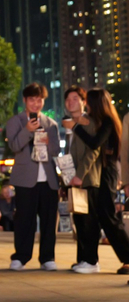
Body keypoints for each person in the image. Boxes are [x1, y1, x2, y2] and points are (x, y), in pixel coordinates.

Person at [65, 88, 129, 274]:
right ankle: (89, 259)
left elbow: (94, 144)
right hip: (101, 173)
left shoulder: (107, 121)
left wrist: (75, 127)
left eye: (89, 102)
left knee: (108, 217)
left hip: (107, 173)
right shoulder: (97, 121)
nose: (87, 105)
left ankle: (125, 258)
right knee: (95, 217)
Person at [5, 82, 60, 271]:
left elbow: (56, 151)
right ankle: (21, 256)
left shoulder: (51, 123)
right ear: (25, 100)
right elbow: (14, 146)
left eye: (39, 100)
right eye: (32, 100)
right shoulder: (16, 121)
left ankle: (47, 258)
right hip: (25, 178)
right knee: (24, 219)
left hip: (48, 178)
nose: (36, 104)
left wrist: (48, 142)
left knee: (49, 220)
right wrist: (27, 130)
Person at [62, 86, 102, 272]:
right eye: (68, 99)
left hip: (87, 179)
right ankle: (83, 259)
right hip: (73, 180)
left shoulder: (89, 122)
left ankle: (92, 261)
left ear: (84, 102)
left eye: (75, 98)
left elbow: (93, 151)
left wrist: (80, 175)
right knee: (79, 221)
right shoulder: (68, 125)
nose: (71, 102)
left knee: (89, 222)